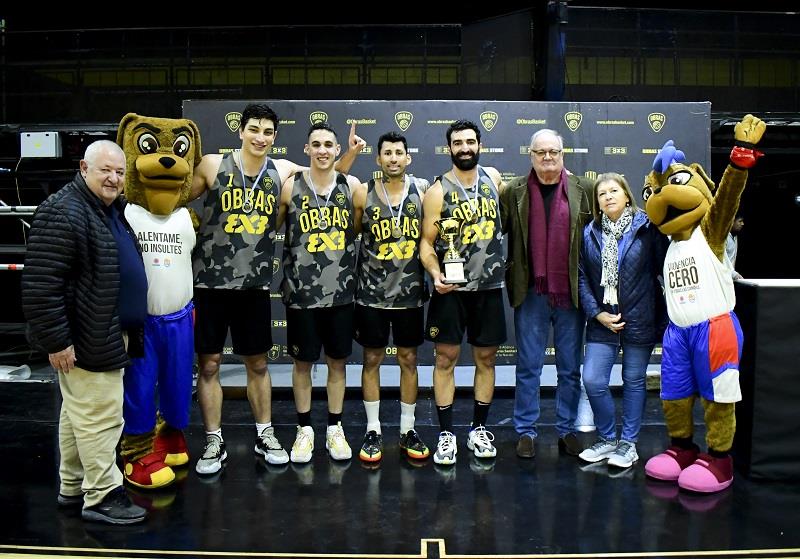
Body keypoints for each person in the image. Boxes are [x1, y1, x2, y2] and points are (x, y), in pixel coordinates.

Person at [189, 103, 363, 475]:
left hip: (254, 285)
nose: (260, 137)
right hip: (209, 284)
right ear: (241, 130)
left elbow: (326, 176)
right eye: (254, 129)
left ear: (275, 138)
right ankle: (213, 438)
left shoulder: (282, 171)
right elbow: (173, 199)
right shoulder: (212, 164)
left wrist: (351, 153)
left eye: (268, 132)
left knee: (257, 363)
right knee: (210, 365)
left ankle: (265, 433)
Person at [21, 140, 147, 525]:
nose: (113, 178)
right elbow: (41, 286)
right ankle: (103, 495)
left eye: (120, 172)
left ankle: (73, 486)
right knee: (100, 417)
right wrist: (57, 341)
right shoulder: (63, 212)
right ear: (83, 168)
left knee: (79, 416)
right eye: (105, 170)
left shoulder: (109, 209)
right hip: (86, 337)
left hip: (104, 330)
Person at [500, 128, 592, 459]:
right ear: (531, 156)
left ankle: (567, 430)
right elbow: (495, 229)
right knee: (528, 366)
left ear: (563, 154)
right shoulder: (513, 191)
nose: (547, 157)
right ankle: (525, 431)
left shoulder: (586, 189)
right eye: (541, 152)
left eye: (553, 151)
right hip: (532, 291)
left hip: (571, 294)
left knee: (570, 368)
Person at [419, 120, 505, 466]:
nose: (465, 147)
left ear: (479, 144)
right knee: (445, 360)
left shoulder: (494, 179)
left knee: (486, 360)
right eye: (458, 143)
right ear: (449, 148)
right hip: (451, 290)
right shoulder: (438, 191)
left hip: (488, 288)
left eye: (470, 141)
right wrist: (436, 274)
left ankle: (478, 429)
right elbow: (426, 244)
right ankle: (445, 433)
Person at [280, 122, 363, 463]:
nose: (323, 150)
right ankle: (304, 429)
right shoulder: (289, 187)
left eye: (329, 144)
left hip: (341, 294)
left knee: (337, 364)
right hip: (301, 295)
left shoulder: (353, 186)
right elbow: (273, 226)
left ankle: (334, 427)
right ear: (306, 149)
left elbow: (357, 228)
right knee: (302, 365)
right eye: (317, 144)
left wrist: (352, 155)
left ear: (336, 148)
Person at [577, 173, 668, 469]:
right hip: (602, 321)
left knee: (633, 381)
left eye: (614, 191)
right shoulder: (590, 232)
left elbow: (663, 268)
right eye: (602, 194)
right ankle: (607, 439)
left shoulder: (647, 228)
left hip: (639, 318)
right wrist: (597, 313)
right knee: (592, 379)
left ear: (627, 195)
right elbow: (581, 278)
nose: (608, 197)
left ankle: (628, 443)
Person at [353, 131, 431, 463]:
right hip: (370, 295)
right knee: (371, 360)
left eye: (399, 153)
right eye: (387, 153)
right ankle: (373, 429)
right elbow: (354, 231)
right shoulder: (363, 193)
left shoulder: (423, 190)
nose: (394, 158)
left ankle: (407, 429)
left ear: (408, 158)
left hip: (409, 295)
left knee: (408, 361)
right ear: (378, 158)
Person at [725, 212, 744, 279]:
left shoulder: (735, 236)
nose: (742, 224)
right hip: (723, 276)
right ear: (732, 222)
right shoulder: (723, 238)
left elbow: (732, 258)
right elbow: (722, 260)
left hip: (730, 277)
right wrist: (733, 274)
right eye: (740, 221)